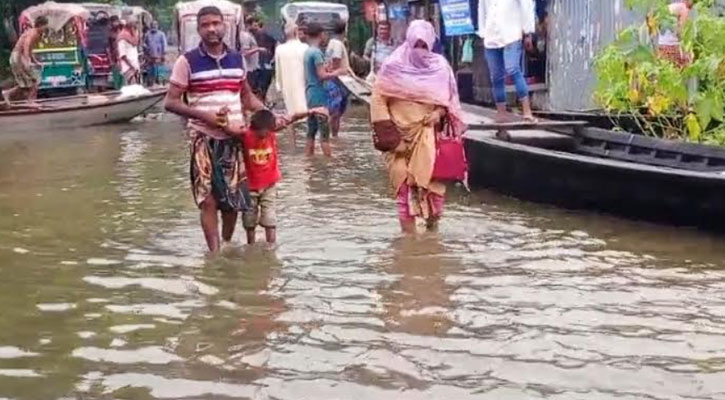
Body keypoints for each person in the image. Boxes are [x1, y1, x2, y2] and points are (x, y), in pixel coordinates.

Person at [164, 6, 271, 253]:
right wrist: (208, 117)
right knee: (208, 200)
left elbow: (245, 97)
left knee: (232, 202)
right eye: (205, 25)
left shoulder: (237, 59)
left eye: (216, 23)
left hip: (235, 137)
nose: (211, 29)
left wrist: (266, 113)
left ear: (225, 26)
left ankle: (226, 245)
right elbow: (171, 102)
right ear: (198, 29)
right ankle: (214, 256)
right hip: (202, 137)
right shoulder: (187, 61)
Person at [370, 20, 465, 234]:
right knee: (404, 193)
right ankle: (409, 246)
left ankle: (432, 239)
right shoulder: (393, 65)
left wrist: (436, 114)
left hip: (428, 138)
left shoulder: (440, 67)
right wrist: (392, 139)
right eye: (416, 45)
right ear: (409, 42)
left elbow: (447, 104)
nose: (420, 51)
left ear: (431, 45)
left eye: (425, 46)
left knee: (434, 192)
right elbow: (378, 101)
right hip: (399, 140)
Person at [241, 107, 328, 245]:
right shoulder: (244, 135)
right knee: (249, 220)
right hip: (250, 186)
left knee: (270, 219)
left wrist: (310, 111)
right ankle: (250, 245)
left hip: (269, 184)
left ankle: (271, 246)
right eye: (262, 132)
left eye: (268, 130)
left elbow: (291, 117)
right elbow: (228, 132)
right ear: (254, 128)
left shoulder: (271, 131)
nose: (265, 134)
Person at [478, 0, 536, 122]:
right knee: (496, 76)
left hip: (511, 34)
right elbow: (481, 9)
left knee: (513, 69)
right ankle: (501, 113)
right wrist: (482, 32)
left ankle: (527, 111)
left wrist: (527, 31)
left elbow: (526, 5)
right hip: (491, 35)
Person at [303, 23, 346, 156]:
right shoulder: (316, 53)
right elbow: (322, 76)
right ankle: (329, 166)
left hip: (310, 94)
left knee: (311, 132)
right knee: (324, 134)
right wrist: (339, 72)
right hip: (319, 96)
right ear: (321, 35)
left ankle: (309, 161)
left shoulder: (308, 51)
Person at [3, 16, 48, 105]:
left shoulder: (35, 33)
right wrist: (27, 61)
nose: (45, 28)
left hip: (16, 57)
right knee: (35, 79)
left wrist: (35, 61)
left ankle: (7, 93)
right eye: (45, 26)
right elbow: (26, 46)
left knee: (26, 84)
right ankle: (31, 101)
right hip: (18, 57)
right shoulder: (33, 32)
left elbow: (30, 50)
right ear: (40, 25)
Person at [275, 23, 309, 115]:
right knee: (304, 108)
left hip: (287, 84)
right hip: (303, 83)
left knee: (290, 111)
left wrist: (278, 86)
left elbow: (278, 71)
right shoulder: (305, 47)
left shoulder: (279, 49)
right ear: (296, 32)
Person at [325, 20, 351, 137]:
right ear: (344, 29)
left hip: (335, 80)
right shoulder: (337, 44)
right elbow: (336, 60)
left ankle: (333, 136)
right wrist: (336, 71)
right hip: (338, 81)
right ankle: (329, 136)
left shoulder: (332, 42)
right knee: (335, 112)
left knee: (336, 112)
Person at [658, 0, 694, 67]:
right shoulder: (683, 8)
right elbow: (681, 32)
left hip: (662, 45)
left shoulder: (669, 7)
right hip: (673, 47)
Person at [240, 16, 267, 100]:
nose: (256, 25)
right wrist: (258, 49)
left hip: (253, 68)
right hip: (248, 69)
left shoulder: (251, 35)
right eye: (254, 24)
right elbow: (244, 53)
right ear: (249, 24)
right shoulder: (245, 36)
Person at [252, 19, 277, 101]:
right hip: (266, 62)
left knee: (258, 84)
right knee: (264, 84)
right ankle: (262, 98)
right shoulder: (270, 35)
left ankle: (260, 98)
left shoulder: (254, 34)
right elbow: (275, 46)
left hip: (259, 63)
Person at [144, 20, 168, 86]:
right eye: (152, 25)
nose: (154, 26)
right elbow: (144, 44)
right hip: (150, 57)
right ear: (150, 26)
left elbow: (164, 45)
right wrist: (146, 53)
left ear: (157, 26)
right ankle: (151, 84)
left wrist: (163, 54)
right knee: (151, 72)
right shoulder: (147, 34)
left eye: (155, 25)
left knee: (160, 72)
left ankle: (161, 83)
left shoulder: (161, 34)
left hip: (159, 57)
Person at [117, 20, 141, 85]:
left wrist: (135, 67)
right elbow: (123, 56)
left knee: (136, 86)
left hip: (135, 65)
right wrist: (131, 66)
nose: (134, 31)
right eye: (133, 28)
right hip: (127, 67)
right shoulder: (122, 38)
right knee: (131, 86)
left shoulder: (133, 38)